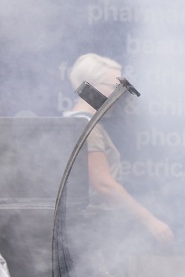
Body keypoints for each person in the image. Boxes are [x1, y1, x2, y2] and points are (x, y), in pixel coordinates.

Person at [63, 53, 174, 247]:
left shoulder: (72, 120)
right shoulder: (87, 127)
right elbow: (103, 184)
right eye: (115, 87)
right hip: (92, 230)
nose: (120, 94)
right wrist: (150, 220)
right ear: (90, 85)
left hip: (82, 228)